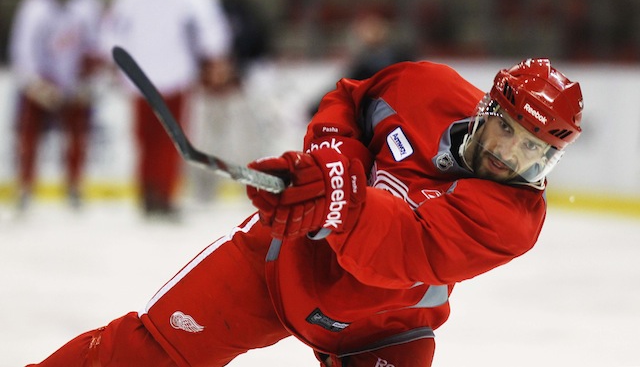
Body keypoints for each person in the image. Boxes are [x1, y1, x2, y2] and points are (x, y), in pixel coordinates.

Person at [26, 58, 584, 366]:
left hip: (384, 328)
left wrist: (335, 193)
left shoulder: (513, 219)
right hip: (280, 260)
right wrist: (327, 163)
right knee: (149, 353)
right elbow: (346, 103)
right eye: (508, 132)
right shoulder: (424, 86)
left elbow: (395, 251)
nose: (510, 156)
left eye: (533, 151)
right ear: (488, 109)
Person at [100, 0, 232, 218]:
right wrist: (113, 57)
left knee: (171, 141)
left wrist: (216, 57)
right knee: (144, 139)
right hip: (141, 79)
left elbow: (211, 27)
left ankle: (164, 194)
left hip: (175, 75)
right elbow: (113, 29)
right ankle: (147, 194)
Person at [8, 0, 104, 209]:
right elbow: (22, 49)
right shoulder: (34, 5)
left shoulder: (87, 4)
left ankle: (74, 186)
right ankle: (25, 186)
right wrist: (35, 84)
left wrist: (89, 78)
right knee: (28, 138)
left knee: (78, 139)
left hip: (75, 84)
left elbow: (97, 45)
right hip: (41, 84)